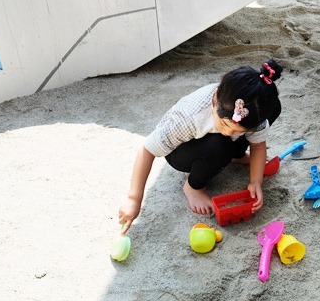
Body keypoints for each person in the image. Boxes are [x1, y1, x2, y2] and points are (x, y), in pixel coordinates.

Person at [118, 60, 283, 233]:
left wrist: (255, 181)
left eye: (237, 130)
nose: (228, 132)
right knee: (220, 143)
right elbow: (147, 150)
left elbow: (257, 146)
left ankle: (236, 155)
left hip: (216, 141)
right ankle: (193, 187)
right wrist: (134, 199)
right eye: (225, 125)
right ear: (216, 97)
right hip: (181, 152)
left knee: (273, 107)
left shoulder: (250, 112)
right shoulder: (189, 118)